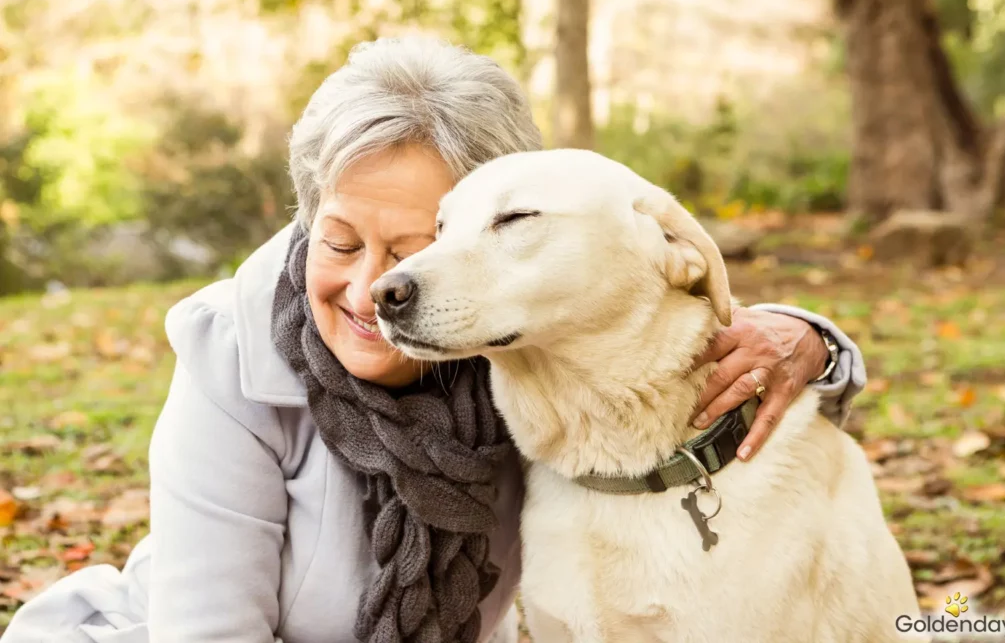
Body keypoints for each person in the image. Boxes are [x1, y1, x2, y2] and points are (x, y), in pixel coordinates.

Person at [1, 36, 865, 643]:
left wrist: (814, 339)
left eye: (414, 250)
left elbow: (647, 335)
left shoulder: (520, 356)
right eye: (339, 242)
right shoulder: (233, 355)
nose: (376, 285)